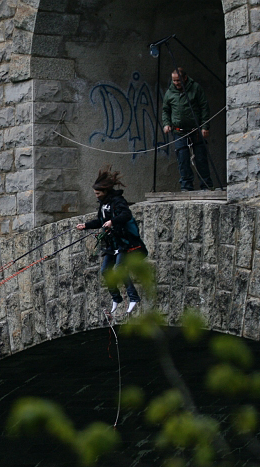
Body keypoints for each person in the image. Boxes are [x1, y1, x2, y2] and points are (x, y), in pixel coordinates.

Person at [76, 165, 147, 314]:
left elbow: (126, 215)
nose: (96, 195)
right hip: (110, 244)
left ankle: (133, 297)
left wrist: (113, 222)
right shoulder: (102, 205)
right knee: (105, 271)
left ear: (105, 191)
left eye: (98, 193)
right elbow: (100, 221)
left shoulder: (117, 201)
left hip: (123, 243)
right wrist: (86, 225)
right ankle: (116, 298)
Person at [161, 67, 213, 191]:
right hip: (179, 132)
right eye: (174, 81)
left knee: (200, 158)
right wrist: (166, 124)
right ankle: (186, 186)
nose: (176, 83)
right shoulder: (170, 92)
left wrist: (205, 126)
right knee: (183, 160)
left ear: (185, 78)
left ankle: (206, 185)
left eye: (178, 80)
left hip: (196, 130)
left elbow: (204, 107)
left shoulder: (195, 88)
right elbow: (166, 110)